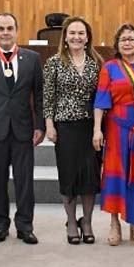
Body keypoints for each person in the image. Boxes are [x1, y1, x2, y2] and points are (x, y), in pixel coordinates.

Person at [0, 13, 45, 245]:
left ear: (17, 31)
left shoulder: (32, 59)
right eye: (1, 28)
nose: (5, 32)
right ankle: (0, 225)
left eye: (9, 28)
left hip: (23, 130)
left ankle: (25, 226)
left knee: (25, 182)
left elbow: (40, 96)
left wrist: (39, 125)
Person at [93, 24, 134, 246]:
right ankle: (114, 222)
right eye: (123, 40)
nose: (128, 43)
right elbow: (101, 101)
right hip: (117, 129)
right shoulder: (110, 67)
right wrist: (96, 130)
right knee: (116, 176)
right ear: (117, 45)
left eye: (131, 39)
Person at [43, 17, 103, 244]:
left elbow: (102, 96)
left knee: (89, 178)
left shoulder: (97, 62)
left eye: (81, 33)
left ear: (87, 37)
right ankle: (70, 222)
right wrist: (49, 124)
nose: (77, 37)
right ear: (65, 37)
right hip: (65, 128)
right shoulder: (54, 62)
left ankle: (86, 222)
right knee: (69, 177)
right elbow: (49, 96)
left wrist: (99, 128)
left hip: (90, 127)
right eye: (72, 33)